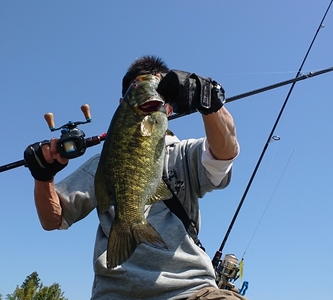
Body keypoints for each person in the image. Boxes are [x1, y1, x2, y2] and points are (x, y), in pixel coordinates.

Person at [24, 56, 247, 300]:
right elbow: (53, 219)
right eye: (136, 87)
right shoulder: (104, 162)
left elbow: (225, 154)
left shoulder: (185, 153)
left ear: (170, 106)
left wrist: (208, 100)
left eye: (161, 91)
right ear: (123, 103)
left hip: (191, 290)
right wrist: (43, 177)